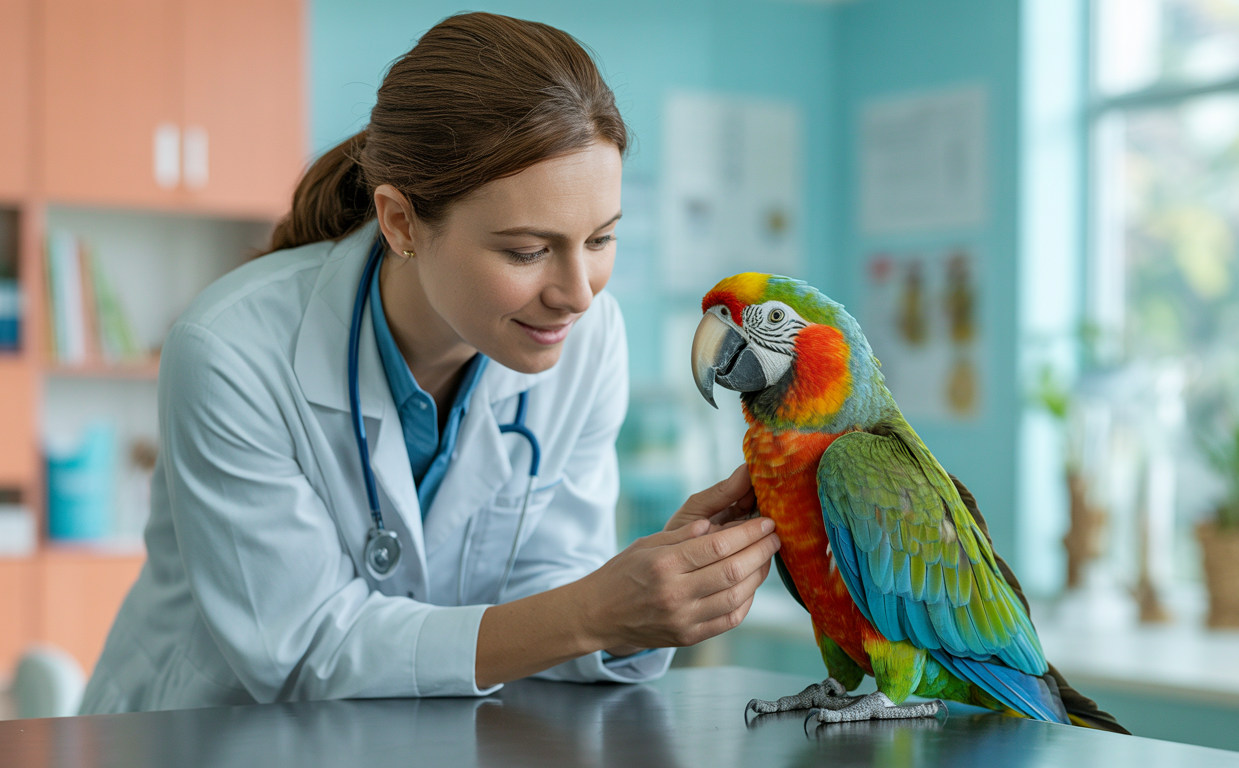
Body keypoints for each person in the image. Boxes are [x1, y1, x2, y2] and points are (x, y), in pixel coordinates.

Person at [79, 12, 780, 713]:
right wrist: (591, 612)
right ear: (401, 223)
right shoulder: (231, 350)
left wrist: (646, 597)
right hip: (197, 734)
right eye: (527, 251)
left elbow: (545, 587)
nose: (576, 294)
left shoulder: (591, 342)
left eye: (600, 239)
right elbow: (298, 651)